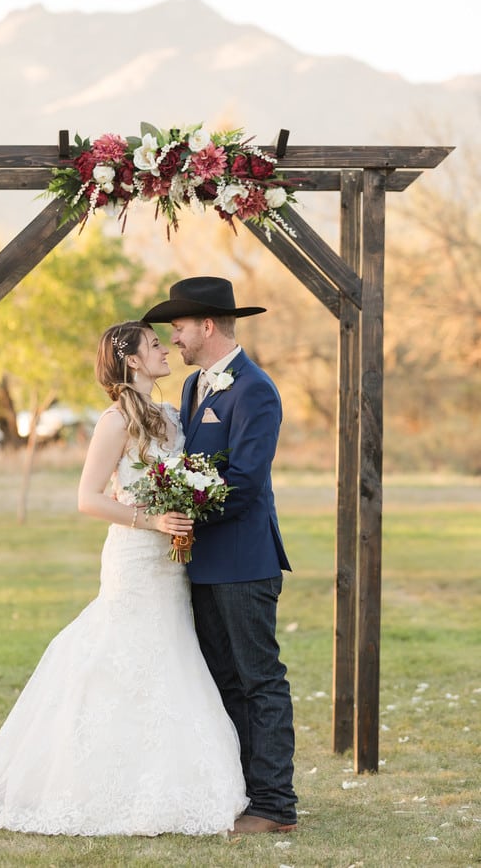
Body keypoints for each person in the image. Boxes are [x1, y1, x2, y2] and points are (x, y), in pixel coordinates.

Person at [0, 319, 248, 837]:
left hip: (170, 563)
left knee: (169, 656)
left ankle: (163, 783)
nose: (166, 349)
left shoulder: (172, 415)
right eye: (156, 345)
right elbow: (88, 498)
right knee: (121, 655)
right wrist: (153, 520)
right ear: (133, 360)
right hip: (134, 557)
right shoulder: (115, 421)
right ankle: (88, 782)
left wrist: (186, 505)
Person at [143, 277, 298, 834]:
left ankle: (276, 805)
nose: (174, 338)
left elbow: (246, 482)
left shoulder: (255, 389)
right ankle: (241, 792)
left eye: (179, 327)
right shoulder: (192, 387)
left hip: (244, 561)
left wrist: (185, 509)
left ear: (207, 325)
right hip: (201, 560)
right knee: (222, 681)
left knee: (259, 680)